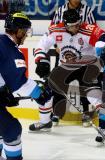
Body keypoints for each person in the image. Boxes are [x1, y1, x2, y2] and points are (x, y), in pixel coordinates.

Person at [30, 9, 105, 131]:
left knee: (93, 94)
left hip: (86, 68)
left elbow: (103, 37)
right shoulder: (55, 30)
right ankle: (45, 122)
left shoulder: (88, 30)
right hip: (65, 67)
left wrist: (103, 49)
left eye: (77, 24)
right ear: (65, 24)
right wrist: (41, 60)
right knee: (47, 91)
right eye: (71, 26)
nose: (75, 28)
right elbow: (41, 45)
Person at [0, 12, 52, 160]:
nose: (26, 35)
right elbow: (19, 82)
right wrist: (40, 94)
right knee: (12, 129)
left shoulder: (1, 42)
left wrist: (3, 94)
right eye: (26, 31)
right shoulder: (10, 50)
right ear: (19, 31)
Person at [49, 0, 96, 126]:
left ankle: (86, 112)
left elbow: (93, 31)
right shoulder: (60, 11)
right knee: (58, 83)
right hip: (66, 54)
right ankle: (56, 113)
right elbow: (52, 31)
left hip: (82, 56)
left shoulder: (87, 11)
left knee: (84, 84)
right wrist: (56, 45)